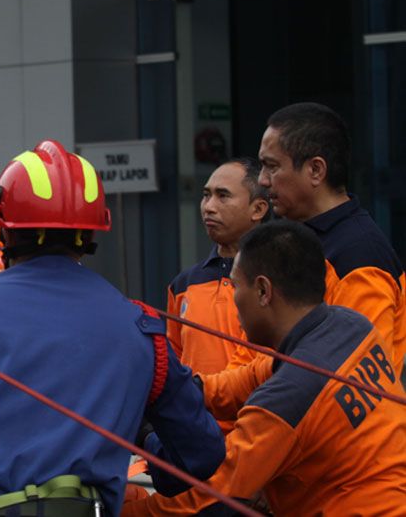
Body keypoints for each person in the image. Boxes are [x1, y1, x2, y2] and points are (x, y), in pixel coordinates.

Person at [0, 140, 225, 516]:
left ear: (3, 228)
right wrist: (146, 441)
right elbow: (198, 457)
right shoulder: (141, 329)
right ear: (92, 234)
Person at [125, 220, 406, 515]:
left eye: (234, 286)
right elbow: (246, 379)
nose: (232, 300)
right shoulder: (349, 325)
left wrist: (122, 509)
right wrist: (176, 389)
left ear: (262, 291)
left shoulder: (287, 399)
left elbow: (211, 497)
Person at [257, 102, 406, 380]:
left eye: (272, 167)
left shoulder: (359, 255)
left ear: (316, 170)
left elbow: (358, 380)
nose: (263, 181)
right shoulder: (302, 240)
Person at [167, 158, 269, 375]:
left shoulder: (275, 279)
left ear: (258, 209)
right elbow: (173, 363)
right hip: (195, 408)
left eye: (223, 196)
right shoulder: (183, 284)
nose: (209, 207)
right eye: (206, 195)